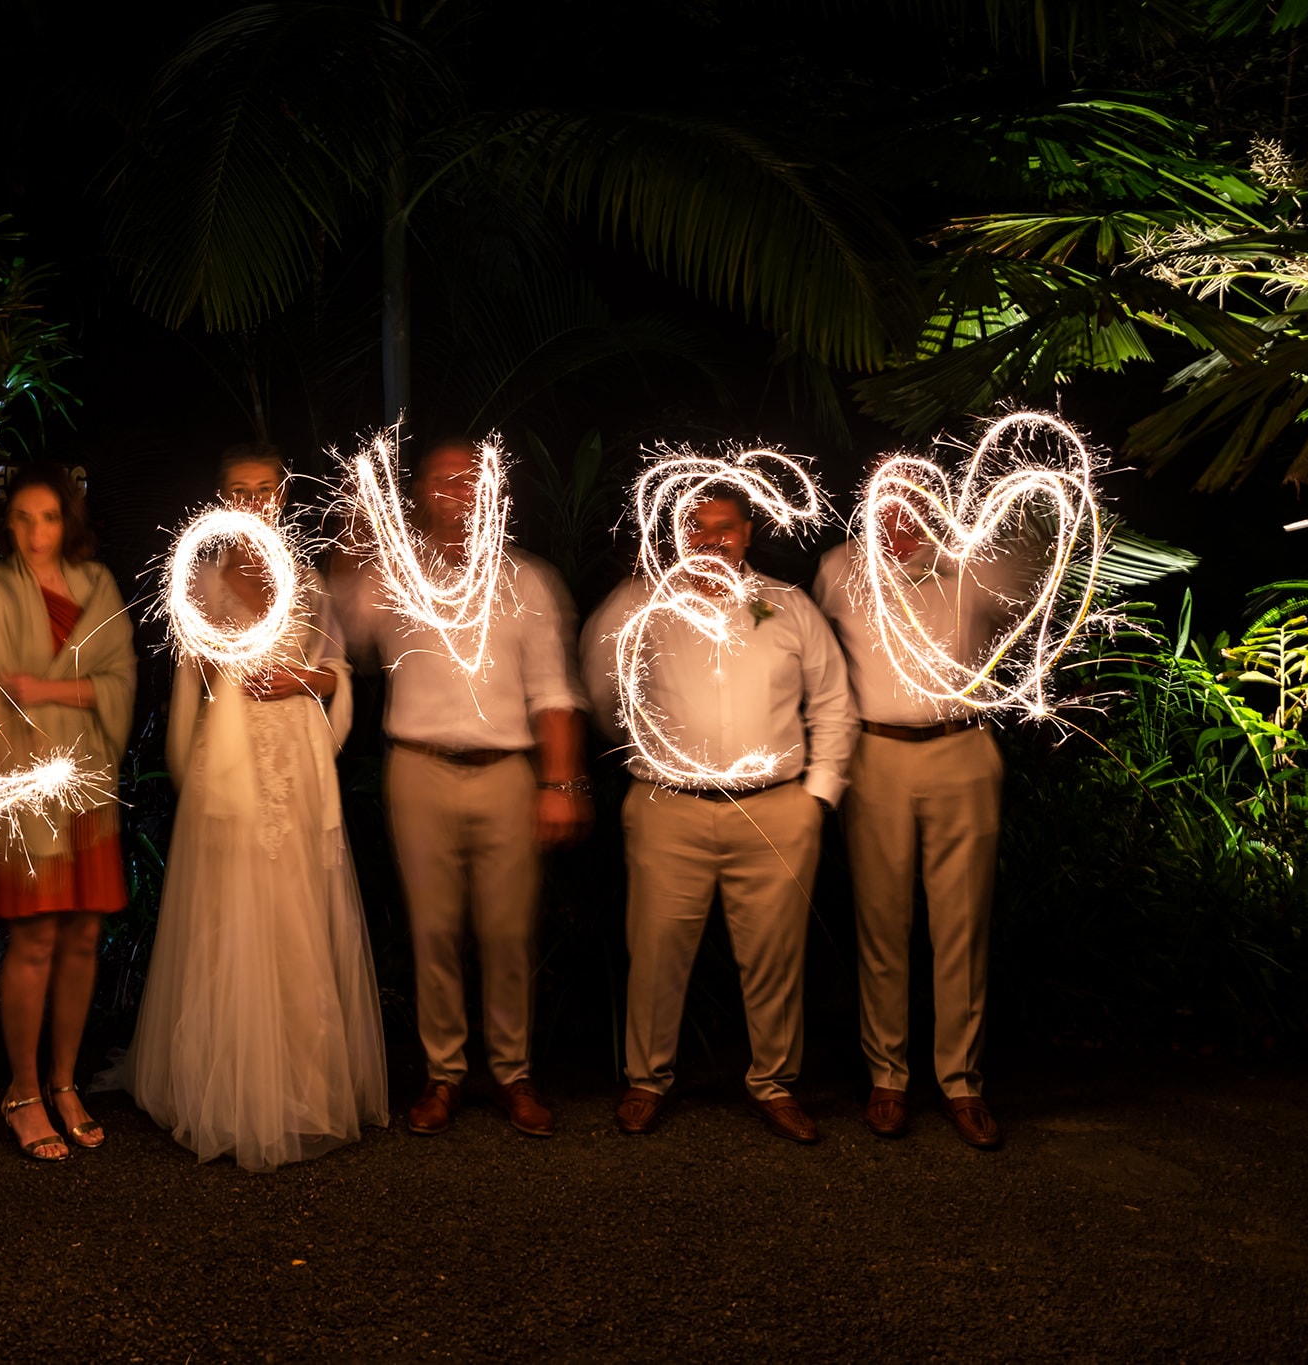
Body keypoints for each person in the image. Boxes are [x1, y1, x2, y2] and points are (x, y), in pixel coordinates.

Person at [102, 444, 388, 1172]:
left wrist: (304, 679)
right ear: (222, 496)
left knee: (295, 909)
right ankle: (223, 1089)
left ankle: (303, 1085)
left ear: (283, 493)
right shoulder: (198, 577)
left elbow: (336, 675)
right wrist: (194, 766)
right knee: (227, 914)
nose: (254, 499)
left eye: (266, 489)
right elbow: (187, 683)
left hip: (293, 760)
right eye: (239, 489)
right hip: (228, 764)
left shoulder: (308, 577)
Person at [583, 489, 855, 1144]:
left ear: (748, 532)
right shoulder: (639, 599)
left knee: (775, 956)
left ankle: (773, 1082)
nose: (709, 540)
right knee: (655, 951)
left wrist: (816, 798)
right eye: (694, 528)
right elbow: (599, 681)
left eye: (723, 528)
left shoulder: (789, 605)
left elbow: (834, 702)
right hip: (668, 807)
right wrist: (645, 753)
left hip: (776, 809)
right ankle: (647, 1079)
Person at [341, 440, 591, 1138]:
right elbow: (340, 630)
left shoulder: (528, 582)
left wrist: (560, 783)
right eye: (443, 480)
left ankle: (513, 1073)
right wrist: (356, 525)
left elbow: (556, 694)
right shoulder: (393, 577)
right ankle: (444, 1074)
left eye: (470, 480)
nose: (458, 493)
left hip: (508, 776)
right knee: (433, 931)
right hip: (418, 771)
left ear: (492, 494)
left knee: (509, 933)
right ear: (419, 494)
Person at [811, 502, 1030, 1150]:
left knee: (961, 922)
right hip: (875, 753)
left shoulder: (974, 565)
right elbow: (815, 659)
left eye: (914, 499)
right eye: (886, 500)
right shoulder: (835, 568)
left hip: (962, 747)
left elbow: (1036, 616)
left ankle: (961, 1081)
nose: (899, 516)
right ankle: (888, 1076)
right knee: (881, 920)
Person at [0, 464, 137, 1162]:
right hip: (27, 790)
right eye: (25, 518)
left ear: (70, 522)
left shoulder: (99, 587)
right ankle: (24, 1090)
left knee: (83, 937)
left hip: (87, 785)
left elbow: (121, 680)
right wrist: (38, 717)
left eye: (51, 517)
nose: (37, 532)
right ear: (9, 523)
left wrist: (46, 688)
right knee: (33, 939)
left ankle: (64, 1083)